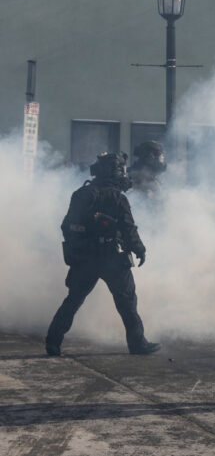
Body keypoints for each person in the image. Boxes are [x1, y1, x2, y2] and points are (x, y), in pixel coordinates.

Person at [45, 152, 160, 356]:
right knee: (127, 303)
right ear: (115, 172)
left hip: (84, 258)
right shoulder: (118, 198)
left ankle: (53, 343)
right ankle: (137, 344)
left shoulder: (81, 194)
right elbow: (128, 229)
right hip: (111, 257)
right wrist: (139, 249)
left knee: (73, 301)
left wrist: (80, 245)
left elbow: (66, 226)